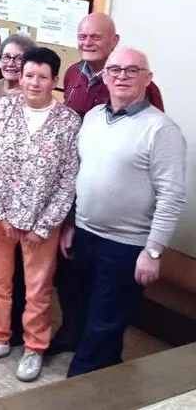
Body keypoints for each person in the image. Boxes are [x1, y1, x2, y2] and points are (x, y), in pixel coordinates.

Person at [64, 47, 186, 377]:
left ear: (148, 79)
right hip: (85, 234)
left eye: (132, 70)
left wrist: (153, 251)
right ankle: (107, 374)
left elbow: (172, 196)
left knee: (105, 320)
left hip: (127, 245)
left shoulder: (161, 130)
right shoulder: (92, 117)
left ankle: (78, 387)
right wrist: (72, 224)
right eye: (115, 70)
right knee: (88, 312)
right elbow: (81, 174)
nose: (122, 76)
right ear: (105, 76)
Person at [50, 12, 165, 358]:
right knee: (70, 273)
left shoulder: (140, 86)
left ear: (114, 41)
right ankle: (72, 329)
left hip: (118, 208)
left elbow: (148, 146)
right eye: (82, 36)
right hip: (77, 189)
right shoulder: (73, 74)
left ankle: (96, 350)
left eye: (96, 37)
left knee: (106, 291)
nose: (87, 43)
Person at [0, 47, 81, 382]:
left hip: (41, 221)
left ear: (54, 80)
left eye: (42, 77)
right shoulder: (0, 109)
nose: (34, 82)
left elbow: (69, 178)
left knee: (37, 288)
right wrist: (0, 212)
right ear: (20, 77)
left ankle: (34, 347)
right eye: (29, 75)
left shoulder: (68, 122)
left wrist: (45, 223)